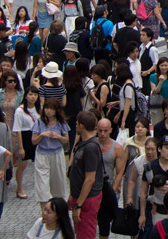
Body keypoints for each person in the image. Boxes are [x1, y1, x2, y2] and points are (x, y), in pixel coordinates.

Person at [68, 111, 104, 239]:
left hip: (87, 200)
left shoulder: (90, 147)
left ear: (81, 126)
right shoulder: (83, 144)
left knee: (86, 234)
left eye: (77, 124)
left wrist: (79, 204)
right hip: (80, 197)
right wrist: (72, 194)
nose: (76, 126)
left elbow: (90, 179)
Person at [32, 97, 70, 208]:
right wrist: (42, 135)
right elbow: (34, 141)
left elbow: (66, 140)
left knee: (58, 183)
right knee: (42, 184)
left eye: (51, 109)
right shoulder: (39, 122)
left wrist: (58, 136)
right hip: (42, 154)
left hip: (57, 154)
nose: (48, 111)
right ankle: (44, 210)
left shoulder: (61, 123)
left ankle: (57, 209)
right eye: (46, 108)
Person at [96, 118, 127, 239]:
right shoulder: (92, 144)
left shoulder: (117, 148)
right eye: (100, 131)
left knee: (105, 222)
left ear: (110, 130)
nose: (102, 134)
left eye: (105, 131)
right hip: (93, 187)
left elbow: (120, 172)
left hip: (108, 187)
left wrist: (113, 189)